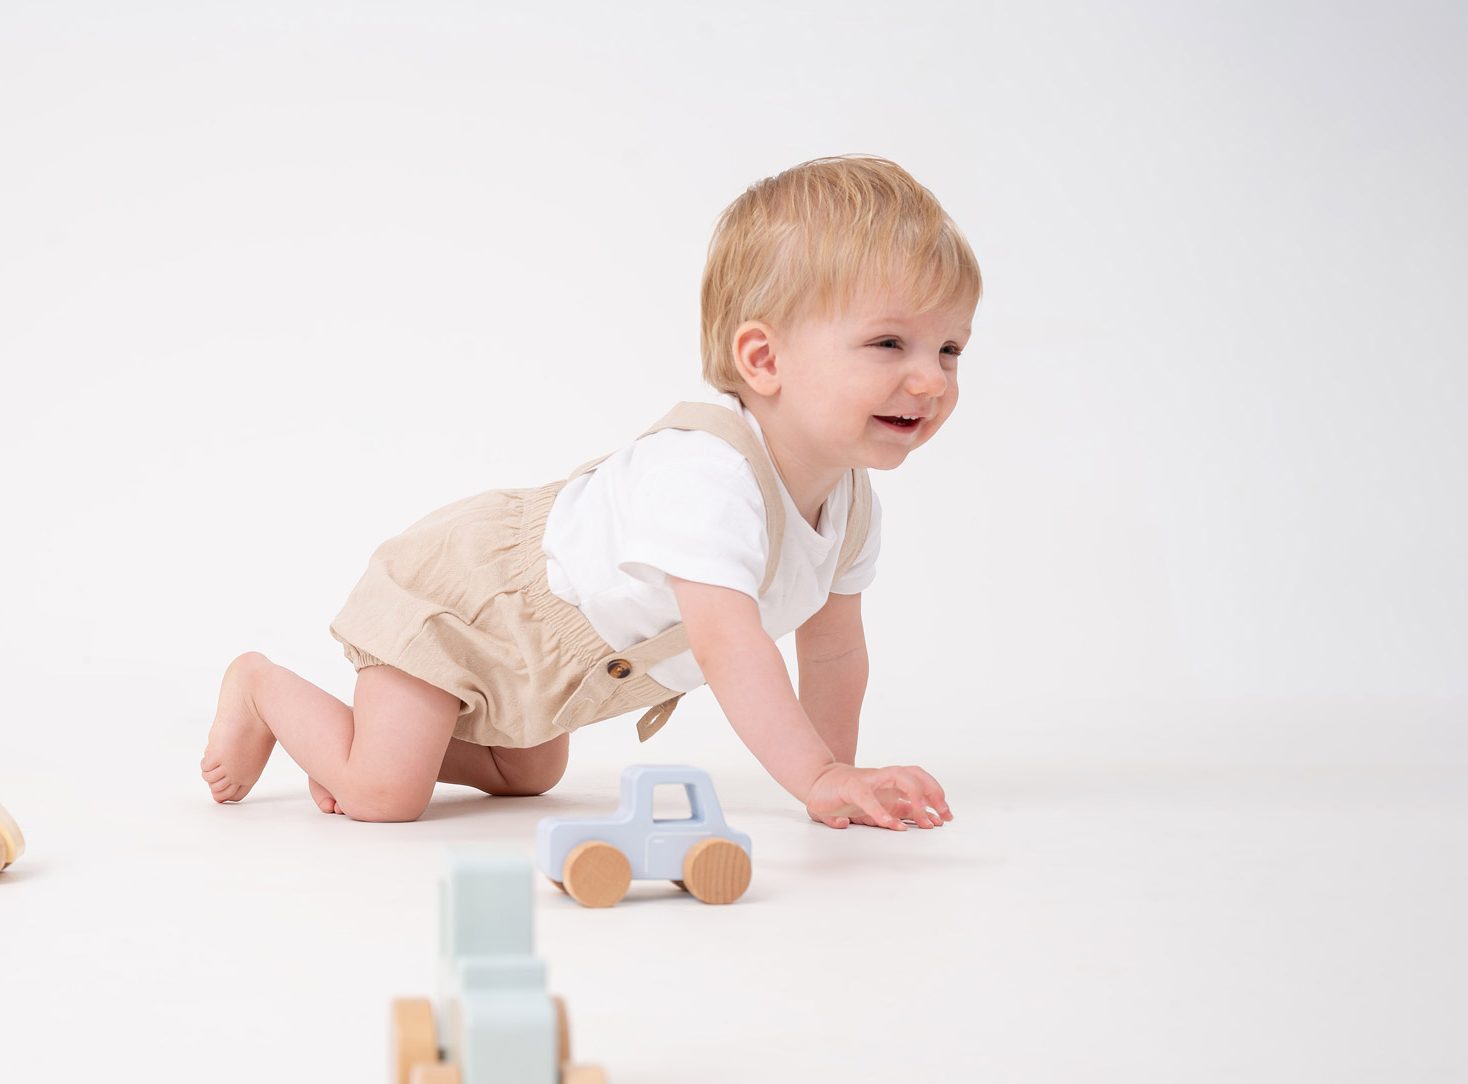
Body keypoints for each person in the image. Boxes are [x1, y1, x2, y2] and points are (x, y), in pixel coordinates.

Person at [201, 154, 975, 829]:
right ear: (763, 359)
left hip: (550, 664)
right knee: (384, 796)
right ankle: (265, 690)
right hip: (472, 602)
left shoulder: (849, 505)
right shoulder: (710, 477)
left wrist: (840, 779)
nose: (931, 379)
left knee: (528, 773)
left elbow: (834, 648)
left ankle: (363, 742)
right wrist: (817, 775)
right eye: (889, 343)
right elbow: (730, 645)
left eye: (949, 348)